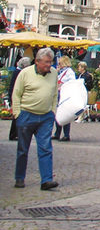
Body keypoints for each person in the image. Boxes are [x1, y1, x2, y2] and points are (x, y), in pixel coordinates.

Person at [13, 48, 59, 190]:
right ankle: (19, 178)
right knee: (23, 149)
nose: (48, 65)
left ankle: (46, 180)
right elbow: (16, 93)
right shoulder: (25, 73)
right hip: (27, 114)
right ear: (37, 62)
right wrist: (17, 113)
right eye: (46, 62)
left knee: (45, 148)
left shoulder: (54, 73)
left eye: (50, 62)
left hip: (45, 116)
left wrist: (53, 111)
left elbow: (54, 93)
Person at [7, 57, 32, 141]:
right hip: (17, 97)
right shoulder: (19, 72)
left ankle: (15, 134)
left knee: (17, 117)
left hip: (15, 96)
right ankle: (14, 134)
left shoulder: (17, 71)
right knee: (17, 117)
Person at [52, 55, 76, 141]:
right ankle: (57, 133)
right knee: (58, 114)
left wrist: (63, 86)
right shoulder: (61, 72)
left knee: (65, 115)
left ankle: (66, 134)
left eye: (60, 63)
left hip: (64, 95)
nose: (59, 65)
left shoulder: (69, 72)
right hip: (59, 94)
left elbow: (72, 83)